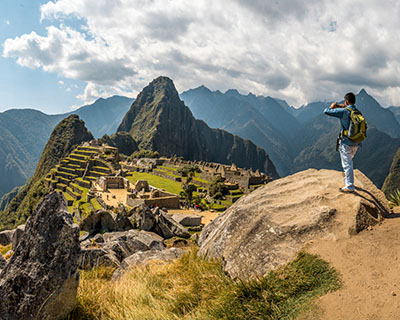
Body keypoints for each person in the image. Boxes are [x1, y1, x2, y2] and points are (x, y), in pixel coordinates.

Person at [324, 92, 360, 193]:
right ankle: (348, 181)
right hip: (356, 142)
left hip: (346, 142)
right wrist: (341, 106)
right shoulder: (357, 111)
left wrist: (331, 107)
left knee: (347, 164)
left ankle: (349, 186)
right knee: (349, 162)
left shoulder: (344, 112)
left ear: (345, 101)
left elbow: (326, 111)